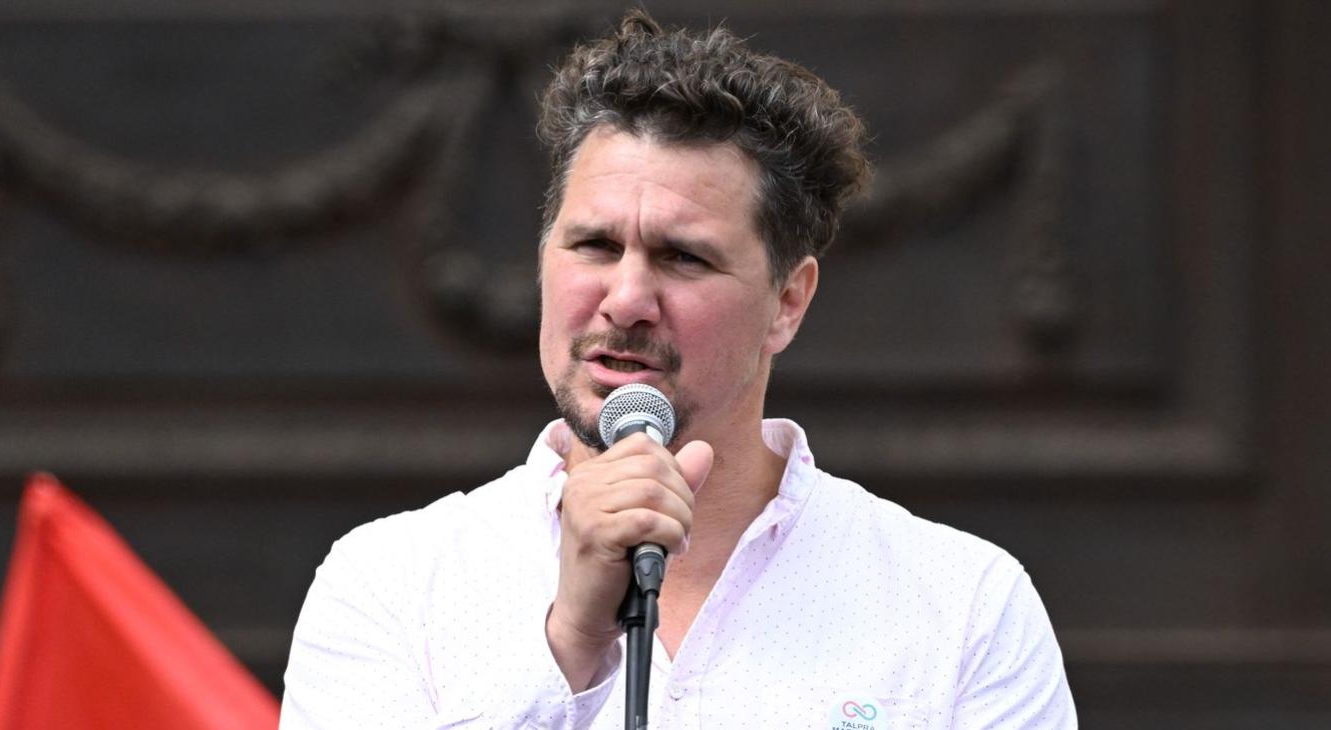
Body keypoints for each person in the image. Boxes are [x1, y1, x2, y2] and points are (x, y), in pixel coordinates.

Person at [280, 9, 1076, 729]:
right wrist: (569, 645)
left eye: (683, 257)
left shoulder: (961, 605)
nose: (626, 299)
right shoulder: (390, 586)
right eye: (594, 245)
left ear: (788, 302)